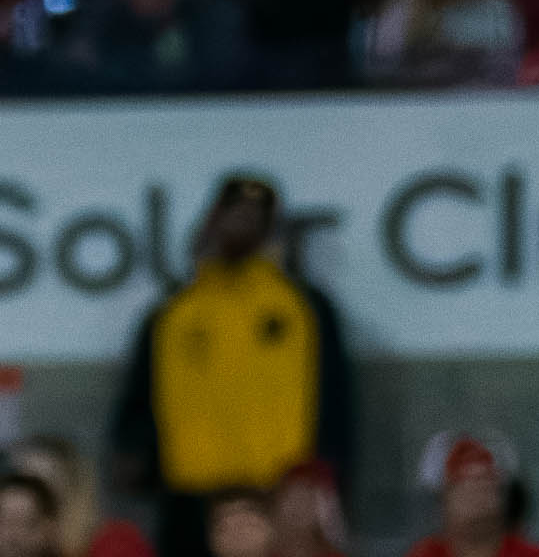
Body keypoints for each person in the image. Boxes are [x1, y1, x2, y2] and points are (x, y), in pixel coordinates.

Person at [101, 170, 353, 518]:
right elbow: (141, 393)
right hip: (190, 494)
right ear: (212, 219)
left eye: (254, 215)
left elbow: (336, 401)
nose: (241, 223)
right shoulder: (175, 312)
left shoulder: (304, 308)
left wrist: (330, 474)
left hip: (277, 493)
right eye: (233, 212)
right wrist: (133, 452)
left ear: (270, 229)